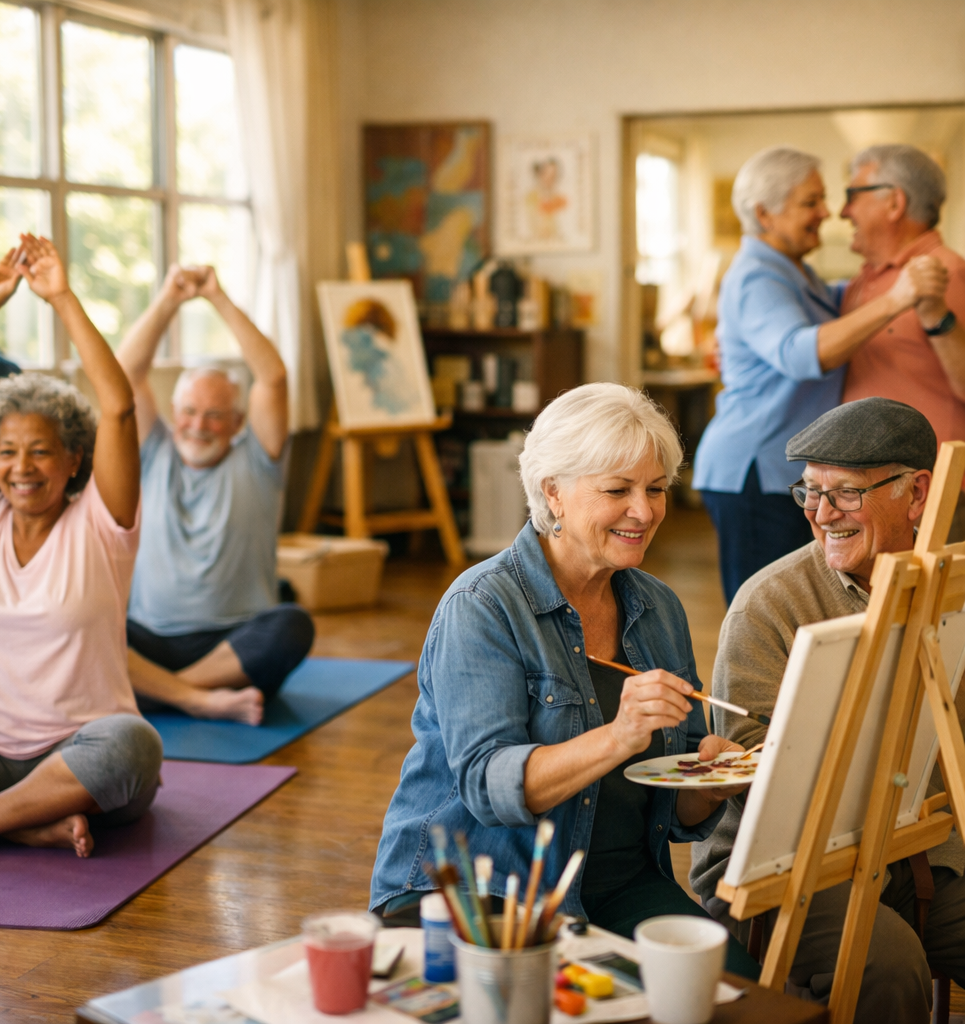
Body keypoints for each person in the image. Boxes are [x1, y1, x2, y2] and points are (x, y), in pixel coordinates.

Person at [370, 383, 761, 978]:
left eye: (656, 489)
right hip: (482, 887)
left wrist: (712, 781)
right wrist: (619, 735)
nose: (645, 510)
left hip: (614, 882)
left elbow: (676, 809)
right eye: (617, 490)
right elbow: (487, 785)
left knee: (732, 984)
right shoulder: (482, 605)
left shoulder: (659, 608)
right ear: (552, 492)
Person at [690, 397, 965, 1023]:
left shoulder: (949, 585)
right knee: (891, 966)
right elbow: (746, 778)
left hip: (914, 847)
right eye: (810, 492)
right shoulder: (768, 604)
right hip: (778, 867)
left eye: (844, 493)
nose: (820, 514)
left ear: (917, 494)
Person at [0, 235, 162, 858]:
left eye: (41, 451)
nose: (22, 468)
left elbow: (117, 407)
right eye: (8, 452)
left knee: (135, 746)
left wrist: (61, 297)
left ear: (73, 460)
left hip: (79, 753)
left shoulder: (102, 523)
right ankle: (25, 823)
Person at [692, 146, 948, 605]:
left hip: (786, 471)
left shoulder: (795, 272)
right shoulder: (756, 276)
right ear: (764, 213)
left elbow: (842, 304)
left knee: (802, 603)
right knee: (765, 607)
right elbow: (798, 353)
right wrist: (898, 297)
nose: (826, 213)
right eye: (810, 202)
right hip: (755, 467)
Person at [116, 265, 314, 726]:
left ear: (237, 421)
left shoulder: (258, 457)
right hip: (149, 639)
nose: (198, 425)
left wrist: (218, 298)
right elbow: (124, 374)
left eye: (214, 415)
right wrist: (168, 300)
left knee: (292, 627)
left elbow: (274, 378)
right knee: (86, 624)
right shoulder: (153, 451)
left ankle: (157, 692)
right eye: (189, 412)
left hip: (234, 643)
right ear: (172, 412)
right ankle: (199, 698)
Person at [840, 144, 965, 537]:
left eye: (852, 195)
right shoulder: (865, 280)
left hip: (930, 494)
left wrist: (936, 316)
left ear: (894, 202)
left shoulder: (946, 273)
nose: (844, 211)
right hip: (876, 492)